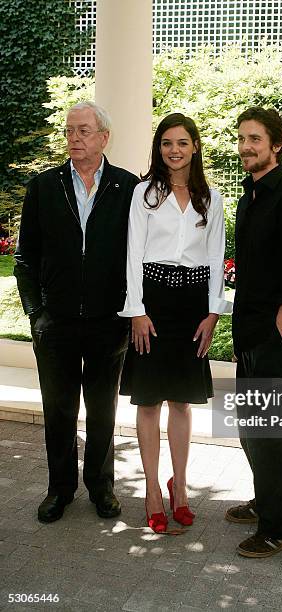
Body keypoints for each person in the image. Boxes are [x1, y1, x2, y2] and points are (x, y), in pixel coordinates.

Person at [14, 101, 139, 523]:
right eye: (70, 132)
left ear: (104, 137)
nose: (74, 139)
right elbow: (25, 259)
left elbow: (138, 256)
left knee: (103, 411)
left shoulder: (127, 187)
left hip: (109, 322)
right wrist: (37, 314)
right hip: (57, 323)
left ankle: (102, 487)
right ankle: (59, 489)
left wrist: (129, 311)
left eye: (83, 131)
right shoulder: (43, 187)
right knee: (60, 410)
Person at [118, 113, 231, 533]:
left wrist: (214, 312)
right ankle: (151, 489)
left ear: (195, 147)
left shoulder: (212, 198)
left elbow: (218, 257)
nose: (174, 150)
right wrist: (137, 311)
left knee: (181, 402)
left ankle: (179, 487)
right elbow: (132, 253)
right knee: (148, 401)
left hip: (193, 305)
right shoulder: (144, 194)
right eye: (167, 143)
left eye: (182, 142)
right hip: (153, 301)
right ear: (158, 148)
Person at [225, 107, 282, 557]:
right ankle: (267, 501)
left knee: (273, 432)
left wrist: (274, 341)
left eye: (255, 139)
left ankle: (281, 525)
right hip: (249, 333)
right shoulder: (251, 196)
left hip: (274, 339)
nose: (246, 146)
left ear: (276, 145)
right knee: (251, 429)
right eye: (242, 138)